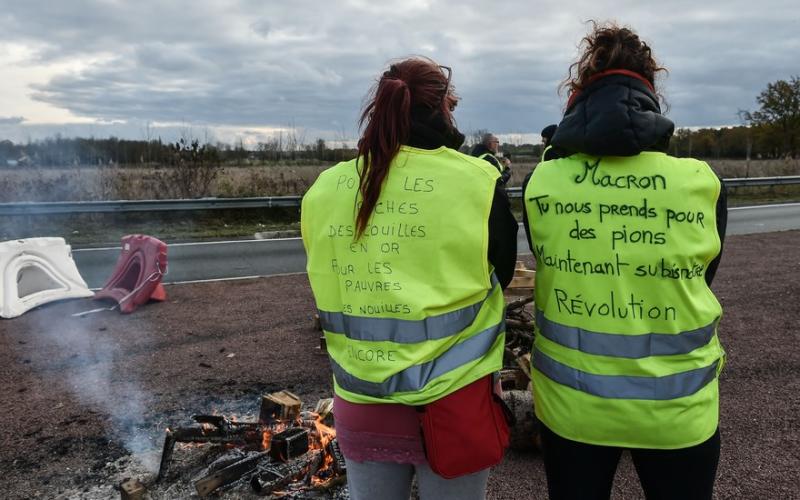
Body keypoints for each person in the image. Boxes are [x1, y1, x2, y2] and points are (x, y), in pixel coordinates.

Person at [522, 22, 728, 500]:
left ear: (579, 94)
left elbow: (548, 262)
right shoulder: (701, 181)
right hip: (678, 410)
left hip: (573, 410)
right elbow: (701, 277)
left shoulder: (543, 182)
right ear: (651, 94)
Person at [302, 57, 518, 500]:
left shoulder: (324, 188)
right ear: (445, 106)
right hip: (456, 401)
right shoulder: (478, 182)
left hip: (361, 400)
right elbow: (504, 272)